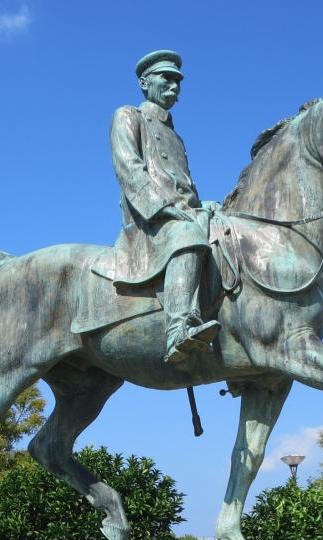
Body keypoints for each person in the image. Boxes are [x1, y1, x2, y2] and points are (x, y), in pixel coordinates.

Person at [106, 50, 218, 364]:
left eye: (178, 81)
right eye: (166, 78)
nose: (174, 86)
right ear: (144, 82)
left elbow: (183, 186)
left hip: (183, 215)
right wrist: (160, 207)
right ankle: (178, 330)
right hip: (150, 221)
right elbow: (129, 168)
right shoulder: (128, 116)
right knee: (187, 235)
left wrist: (204, 206)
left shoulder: (176, 137)